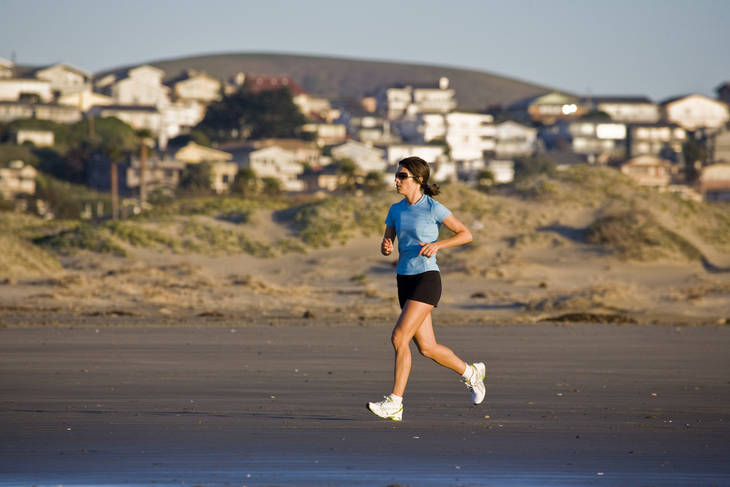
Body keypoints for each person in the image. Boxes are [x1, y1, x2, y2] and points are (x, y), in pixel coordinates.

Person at [367, 156, 485, 421]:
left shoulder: (433, 208)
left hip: (427, 278)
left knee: (399, 338)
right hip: (404, 279)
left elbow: (466, 234)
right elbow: (387, 241)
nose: (396, 180)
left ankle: (395, 402)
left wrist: (438, 245)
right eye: (396, 176)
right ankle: (471, 373)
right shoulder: (395, 210)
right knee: (428, 348)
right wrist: (386, 247)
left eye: (402, 176)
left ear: (418, 180)